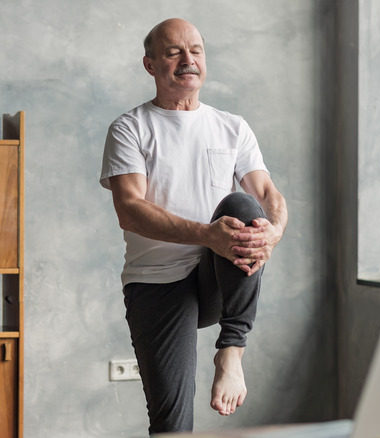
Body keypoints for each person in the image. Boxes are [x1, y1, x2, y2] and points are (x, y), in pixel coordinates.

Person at [99, 18, 288, 434]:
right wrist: (207, 234)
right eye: (174, 52)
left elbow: (269, 194)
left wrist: (273, 230)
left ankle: (231, 352)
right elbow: (129, 210)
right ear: (150, 65)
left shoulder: (232, 126)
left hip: (216, 277)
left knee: (244, 204)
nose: (188, 60)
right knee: (170, 423)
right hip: (156, 282)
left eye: (196, 51)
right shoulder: (130, 128)